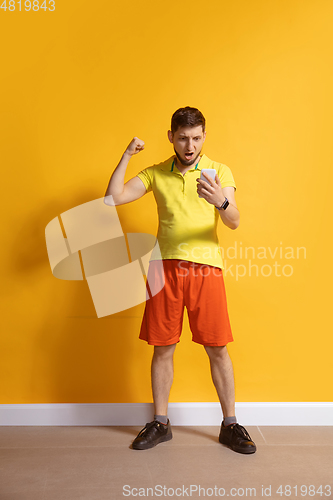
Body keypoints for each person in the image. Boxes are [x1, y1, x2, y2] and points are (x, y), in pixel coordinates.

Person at [104, 107, 256, 454]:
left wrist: (221, 201)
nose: (190, 145)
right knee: (163, 346)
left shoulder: (219, 171)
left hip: (206, 268)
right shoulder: (156, 173)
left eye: (197, 138)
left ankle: (230, 425)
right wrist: (127, 155)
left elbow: (233, 221)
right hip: (164, 269)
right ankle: (160, 422)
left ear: (204, 136)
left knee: (217, 347)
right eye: (184, 138)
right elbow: (113, 198)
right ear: (171, 136)